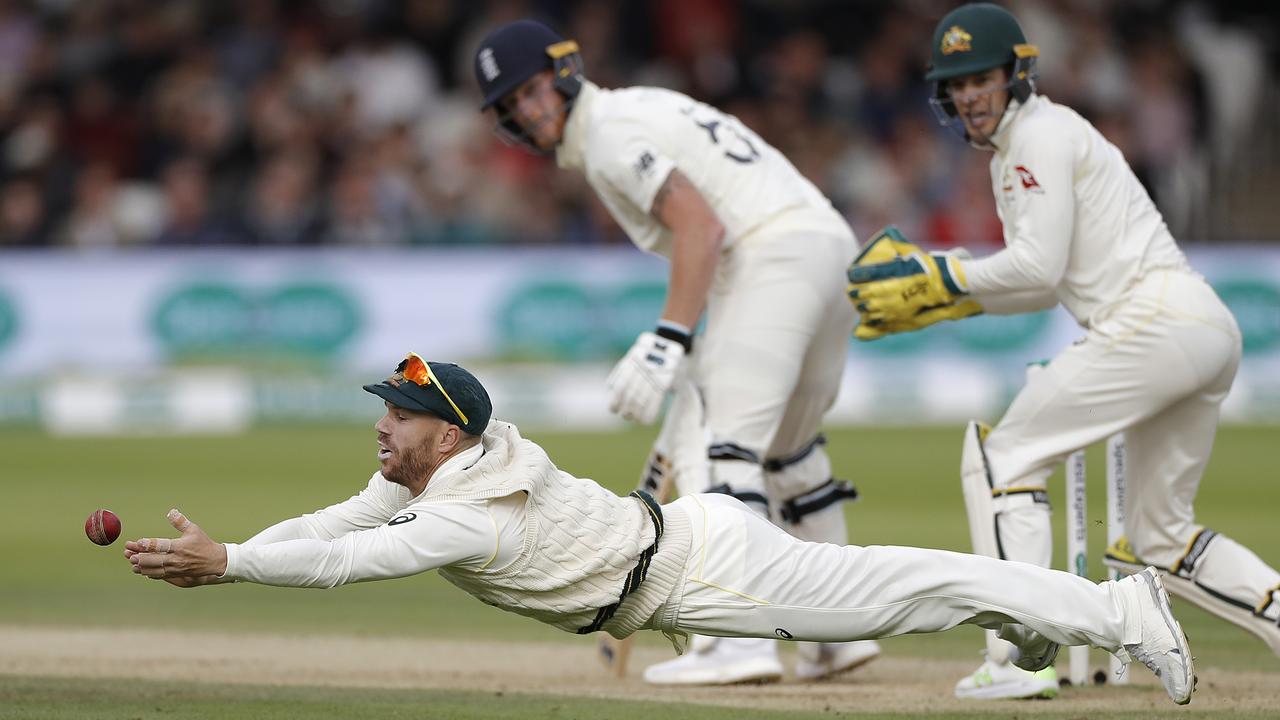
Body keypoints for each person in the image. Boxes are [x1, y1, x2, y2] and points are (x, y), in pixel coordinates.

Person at [125, 352, 1196, 705]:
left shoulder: (462, 515)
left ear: (444, 437)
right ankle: (1065, 617)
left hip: (702, 572)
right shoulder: (452, 467)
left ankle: (1114, 606)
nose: (379, 428)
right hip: (688, 549)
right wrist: (234, 556)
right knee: (922, 591)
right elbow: (334, 521)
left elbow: (357, 559)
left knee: (922, 588)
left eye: (395, 416)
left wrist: (234, 569)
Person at [845, 2, 1280, 701]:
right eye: (955, 85)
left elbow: (1038, 268)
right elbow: (1038, 286)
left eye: (980, 78)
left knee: (1002, 461)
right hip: (1199, 326)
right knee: (1159, 539)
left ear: (1016, 74)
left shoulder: (1036, 137)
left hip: (1149, 321)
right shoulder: (1036, 142)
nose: (968, 96)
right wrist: (948, 296)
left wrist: (943, 274)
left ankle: (1021, 659)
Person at [470, 19, 873, 685]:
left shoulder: (606, 134)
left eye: (533, 91)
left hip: (773, 254)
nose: (529, 112)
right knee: (790, 453)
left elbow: (703, 226)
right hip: (827, 249)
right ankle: (838, 633)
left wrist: (669, 339)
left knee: (723, 448)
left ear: (564, 72)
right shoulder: (635, 108)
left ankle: (740, 641)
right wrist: (693, 336)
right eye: (513, 105)